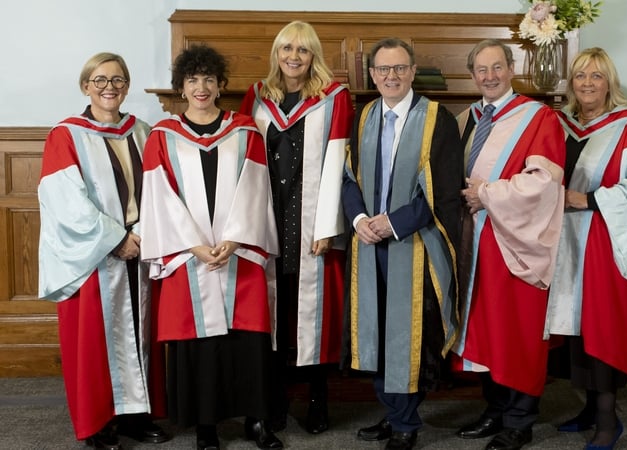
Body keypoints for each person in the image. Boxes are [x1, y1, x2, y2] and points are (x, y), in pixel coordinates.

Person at [139, 44, 283, 450]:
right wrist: (193, 245)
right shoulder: (162, 137)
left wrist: (235, 238)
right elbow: (158, 196)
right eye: (191, 80)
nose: (200, 87)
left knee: (249, 339)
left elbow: (255, 188)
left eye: (208, 79)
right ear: (181, 88)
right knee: (198, 344)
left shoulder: (244, 130)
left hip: (240, 253)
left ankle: (256, 421)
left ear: (220, 85)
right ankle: (206, 427)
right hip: (189, 257)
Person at [37, 52, 170, 449]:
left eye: (117, 80)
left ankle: (135, 417)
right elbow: (66, 202)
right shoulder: (66, 135)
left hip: (140, 250)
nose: (109, 87)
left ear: (127, 87)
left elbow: (159, 191)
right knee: (96, 342)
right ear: (85, 86)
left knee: (142, 336)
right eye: (100, 80)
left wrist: (142, 234)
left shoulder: (143, 131)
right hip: (96, 257)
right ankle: (99, 424)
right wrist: (116, 239)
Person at [341, 37, 462, 450]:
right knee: (375, 330)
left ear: (412, 71)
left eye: (399, 69)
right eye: (382, 70)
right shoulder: (362, 117)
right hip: (368, 243)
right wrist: (359, 219)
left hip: (415, 247)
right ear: (372, 74)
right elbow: (347, 177)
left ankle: (406, 423)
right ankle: (393, 414)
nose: (390, 76)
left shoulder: (437, 119)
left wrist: (392, 223)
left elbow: (443, 191)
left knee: (408, 336)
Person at [239, 20, 353, 435]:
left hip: (310, 220)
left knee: (314, 317)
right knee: (274, 314)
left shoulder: (334, 97)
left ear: (313, 55)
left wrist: (328, 226)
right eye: (286, 48)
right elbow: (241, 156)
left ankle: (318, 400)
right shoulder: (257, 95)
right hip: (267, 216)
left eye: (302, 50)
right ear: (276, 53)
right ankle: (274, 401)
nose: (293, 56)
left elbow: (339, 159)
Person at [544, 47, 627, 450]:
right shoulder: (560, 124)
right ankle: (591, 410)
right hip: (566, 243)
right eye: (580, 76)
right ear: (572, 84)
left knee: (602, 328)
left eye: (596, 76)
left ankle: (609, 423)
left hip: (607, 243)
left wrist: (588, 200)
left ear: (610, 82)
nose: (588, 83)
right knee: (576, 331)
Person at [452, 39, 565, 450]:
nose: (490, 76)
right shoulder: (467, 119)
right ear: (472, 75)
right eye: (481, 70)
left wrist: (489, 195)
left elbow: (544, 182)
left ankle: (520, 420)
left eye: (497, 67)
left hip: (515, 244)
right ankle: (495, 409)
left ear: (510, 67)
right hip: (473, 243)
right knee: (482, 328)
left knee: (517, 330)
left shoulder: (539, 118)